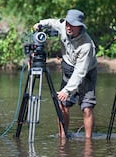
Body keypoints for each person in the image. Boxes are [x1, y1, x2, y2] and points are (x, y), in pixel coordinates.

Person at [34, 9, 97, 139]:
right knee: (62, 105)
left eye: (72, 25)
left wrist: (67, 91)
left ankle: (88, 141)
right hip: (68, 68)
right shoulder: (63, 26)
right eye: (68, 23)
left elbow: (80, 72)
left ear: (80, 26)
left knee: (87, 107)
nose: (68, 27)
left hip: (87, 72)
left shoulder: (86, 45)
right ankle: (62, 137)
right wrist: (40, 24)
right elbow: (53, 22)